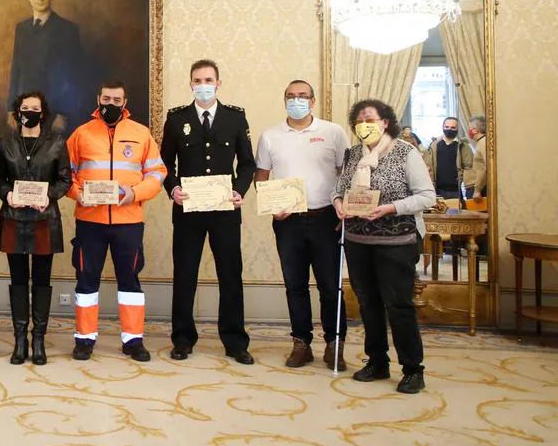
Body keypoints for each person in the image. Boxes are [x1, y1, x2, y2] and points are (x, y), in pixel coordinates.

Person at [333, 98, 435, 394]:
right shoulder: (353, 154)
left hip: (396, 242)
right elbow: (338, 189)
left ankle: (413, 368)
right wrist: (338, 202)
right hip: (358, 241)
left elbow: (426, 196)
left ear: (385, 122)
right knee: (368, 304)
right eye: (359, 120)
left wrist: (391, 207)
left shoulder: (405, 152)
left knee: (399, 305)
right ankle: (377, 361)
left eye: (370, 119)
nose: (364, 125)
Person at [161, 59, 256, 364]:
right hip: (188, 210)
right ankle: (183, 338)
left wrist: (239, 190)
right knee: (185, 275)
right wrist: (173, 189)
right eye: (197, 80)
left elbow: (247, 163)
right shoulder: (177, 119)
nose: (203, 84)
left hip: (225, 211)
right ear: (190, 84)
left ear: (218, 83)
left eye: (208, 79)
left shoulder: (235, 118)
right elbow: (164, 164)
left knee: (230, 275)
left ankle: (235, 341)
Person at [65, 81, 165, 361]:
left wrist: (134, 193)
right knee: (86, 280)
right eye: (106, 98)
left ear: (125, 101)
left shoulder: (141, 133)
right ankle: (84, 338)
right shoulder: (81, 134)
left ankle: (133, 340)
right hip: (90, 221)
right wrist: (77, 194)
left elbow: (157, 173)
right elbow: (66, 175)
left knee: (130, 281)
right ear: (98, 98)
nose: (110, 103)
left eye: (116, 99)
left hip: (128, 221)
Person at [254, 80, 349, 370]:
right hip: (288, 223)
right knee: (295, 286)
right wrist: (271, 205)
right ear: (284, 100)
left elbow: (346, 174)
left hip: (326, 219)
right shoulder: (270, 136)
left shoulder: (333, 132)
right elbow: (261, 177)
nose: (297, 100)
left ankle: (335, 344)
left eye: (302, 96)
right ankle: (301, 343)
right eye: (291, 96)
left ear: (313, 101)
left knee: (331, 286)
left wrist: (343, 206)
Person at [0, 91, 72, 365]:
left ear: (43, 113)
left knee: (41, 279)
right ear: (18, 111)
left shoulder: (57, 143)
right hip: (14, 218)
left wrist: (49, 196)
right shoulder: (5, 143)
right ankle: (19, 339)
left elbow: (64, 180)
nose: (30, 112)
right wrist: (7, 194)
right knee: (17, 280)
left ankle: (38, 339)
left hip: (43, 219)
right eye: (25, 108)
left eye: (35, 108)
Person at [6, 0, 86, 137]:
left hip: (54, 112)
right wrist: (10, 109)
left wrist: (63, 114)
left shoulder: (67, 30)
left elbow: (73, 76)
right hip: (25, 109)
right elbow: (16, 69)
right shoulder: (21, 28)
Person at [424, 116, 472, 200]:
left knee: (458, 212)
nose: (449, 129)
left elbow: (469, 168)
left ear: (457, 129)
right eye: (447, 127)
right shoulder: (434, 145)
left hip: (455, 190)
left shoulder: (463, 146)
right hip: (437, 190)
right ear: (443, 127)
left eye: (453, 127)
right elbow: (428, 166)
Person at [465, 114, 488, 198]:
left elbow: (485, 168)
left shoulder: (483, 142)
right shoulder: (480, 142)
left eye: (469, 127)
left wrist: (477, 190)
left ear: (475, 130)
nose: (468, 130)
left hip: (480, 189)